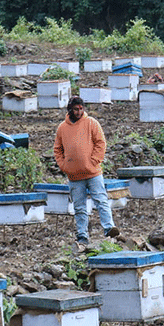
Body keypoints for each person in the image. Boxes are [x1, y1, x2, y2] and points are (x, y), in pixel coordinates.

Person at [53, 96, 120, 249]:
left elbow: (101, 143)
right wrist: (64, 166)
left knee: (101, 201)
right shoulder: (62, 128)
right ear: (70, 110)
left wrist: (94, 161)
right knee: (79, 207)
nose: (79, 111)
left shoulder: (91, 123)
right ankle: (82, 235)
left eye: (81, 108)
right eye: (76, 109)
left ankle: (109, 229)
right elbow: (57, 149)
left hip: (93, 173)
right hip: (74, 176)